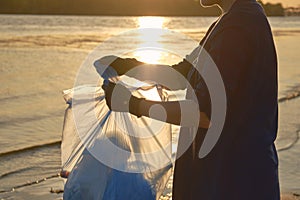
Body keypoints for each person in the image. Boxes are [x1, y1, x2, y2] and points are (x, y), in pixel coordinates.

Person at [101, 0, 280, 199]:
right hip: (226, 172)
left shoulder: (237, 27)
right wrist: (128, 66)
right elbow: (184, 74)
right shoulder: (230, 20)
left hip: (233, 178)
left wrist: (132, 104)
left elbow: (204, 114)